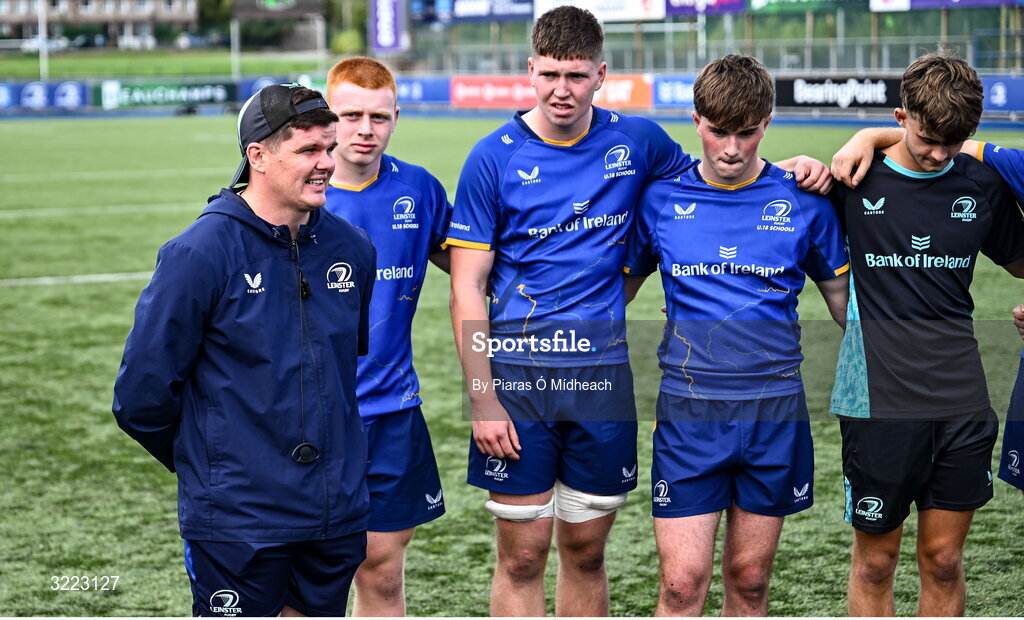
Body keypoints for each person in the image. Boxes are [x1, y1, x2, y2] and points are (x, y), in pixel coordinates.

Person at [446, 7, 832, 616]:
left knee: (587, 552)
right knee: (520, 558)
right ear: (530, 71)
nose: (561, 89)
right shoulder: (490, 159)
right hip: (518, 380)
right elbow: (466, 288)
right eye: (549, 74)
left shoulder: (640, 141)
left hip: (602, 377)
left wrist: (791, 171)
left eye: (576, 75)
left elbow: (718, 178)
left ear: (601, 74)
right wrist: (481, 396)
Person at [112, 83, 377, 617]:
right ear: (257, 155)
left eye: (329, 147)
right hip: (240, 518)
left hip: (334, 510)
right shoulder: (198, 253)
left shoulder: (353, 249)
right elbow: (140, 397)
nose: (327, 162)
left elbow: (341, 375)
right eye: (308, 150)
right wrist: (218, 465)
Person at [623, 54, 849, 616]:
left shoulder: (804, 201)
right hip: (689, 414)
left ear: (766, 125)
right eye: (718, 131)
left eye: (746, 134)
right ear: (696, 120)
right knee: (681, 583)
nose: (730, 148)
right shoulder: (660, 200)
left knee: (749, 580)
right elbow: (613, 294)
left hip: (774, 411)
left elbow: (849, 307)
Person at [826, 53, 1024, 616]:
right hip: (877, 403)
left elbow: (1019, 263)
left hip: (961, 399)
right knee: (875, 562)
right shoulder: (852, 178)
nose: (941, 154)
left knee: (942, 560)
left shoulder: (981, 183)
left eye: (955, 142)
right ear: (902, 115)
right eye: (929, 138)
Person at [321, 57, 452, 617]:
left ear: (397, 117)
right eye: (350, 115)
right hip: (310, 415)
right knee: (310, 578)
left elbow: (473, 272)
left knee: (383, 571)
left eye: (378, 116)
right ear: (327, 118)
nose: (365, 129)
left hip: (393, 411)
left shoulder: (419, 189)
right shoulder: (297, 190)